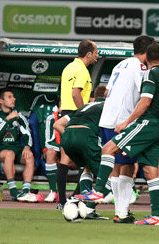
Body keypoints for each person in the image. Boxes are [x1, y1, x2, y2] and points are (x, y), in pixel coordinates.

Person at [75, 43, 159, 226]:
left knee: (109, 151)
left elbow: (144, 100)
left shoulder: (134, 68)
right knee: (148, 170)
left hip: (132, 121)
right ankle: (152, 215)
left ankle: (99, 192)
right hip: (153, 124)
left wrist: (127, 122)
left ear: (146, 57)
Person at [93, 36, 154, 220]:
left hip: (106, 118)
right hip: (122, 120)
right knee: (127, 165)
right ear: (148, 50)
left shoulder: (119, 65)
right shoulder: (141, 67)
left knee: (117, 165)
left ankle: (119, 211)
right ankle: (122, 212)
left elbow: (107, 92)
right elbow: (144, 93)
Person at [54, 85, 109, 219]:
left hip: (67, 138)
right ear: (107, 94)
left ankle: (82, 205)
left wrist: (71, 136)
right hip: (86, 136)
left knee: (87, 168)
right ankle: (89, 208)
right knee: (111, 170)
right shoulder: (108, 106)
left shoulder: (84, 107)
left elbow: (57, 124)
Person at [57, 39, 99, 209]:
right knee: (89, 157)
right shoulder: (82, 71)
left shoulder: (69, 67)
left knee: (65, 159)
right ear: (88, 54)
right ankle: (75, 198)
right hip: (76, 115)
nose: (97, 55)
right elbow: (76, 94)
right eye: (96, 52)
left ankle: (62, 202)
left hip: (64, 114)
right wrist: (84, 113)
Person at [0, 88, 43, 202]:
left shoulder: (18, 115)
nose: (13, 99)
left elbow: (27, 133)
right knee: (10, 154)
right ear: (1, 100)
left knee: (29, 157)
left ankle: (25, 191)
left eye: (13, 96)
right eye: (9, 97)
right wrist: (8, 120)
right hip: (1, 149)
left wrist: (27, 147)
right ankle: (13, 190)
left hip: (17, 148)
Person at [43, 97, 62, 203]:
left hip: (73, 153)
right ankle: (53, 192)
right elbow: (48, 142)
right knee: (49, 152)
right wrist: (62, 149)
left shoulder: (77, 117)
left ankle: (83, 193)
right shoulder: (51, 118)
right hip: (59, 152)